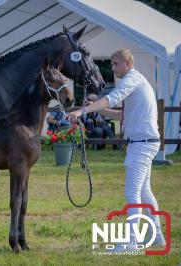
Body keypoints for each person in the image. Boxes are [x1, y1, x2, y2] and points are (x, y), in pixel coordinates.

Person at [67, 48, 165, 252]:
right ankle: (156, 237)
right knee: (144, 191)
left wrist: (82, 110)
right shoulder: (135, 81)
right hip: (144, 141)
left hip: (142, 143)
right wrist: (97, 107)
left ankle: (130, 242)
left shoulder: (131, 79)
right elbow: (122, 116)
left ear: (128, 63)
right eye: (111, 64)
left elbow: (112, 98)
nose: (112, 68)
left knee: (132, 192)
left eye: (115, 64)